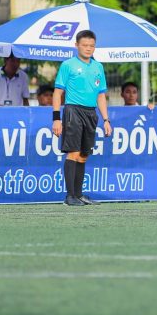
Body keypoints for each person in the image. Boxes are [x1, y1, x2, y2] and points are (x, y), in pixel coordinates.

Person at [52, 30, 113, 206]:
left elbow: (101, 96)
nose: (88, 48)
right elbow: (58, 93)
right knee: (73, 152)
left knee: (84, 155)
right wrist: (56, 118)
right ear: (76, 45)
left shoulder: (98, 67)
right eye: (85, 45)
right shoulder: (68, 65)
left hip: (91, 113)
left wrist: (106, 120)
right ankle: (69, 196)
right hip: (73, 111)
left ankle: (78, 195)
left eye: (91, 45)